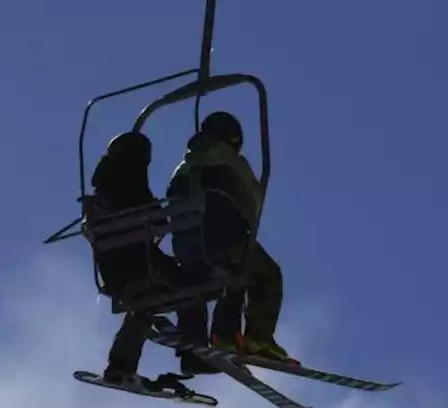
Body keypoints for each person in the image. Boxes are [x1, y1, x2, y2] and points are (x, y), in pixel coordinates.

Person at [166, 110, 296, 365]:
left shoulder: (182, 168)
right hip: (224, 242)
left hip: (187, 251)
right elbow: (253, 202)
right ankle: (256, 338)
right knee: (266, 273)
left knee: (229, 272)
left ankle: (222, 337)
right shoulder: (232, 162)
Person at [85, 131, 186, 385]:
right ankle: (194, 343)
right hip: (140, 267)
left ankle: (120, 365)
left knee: (144, 305)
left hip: (115, 273)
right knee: (194, 277)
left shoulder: (100, 195)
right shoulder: (131, 187)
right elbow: (159, 218)